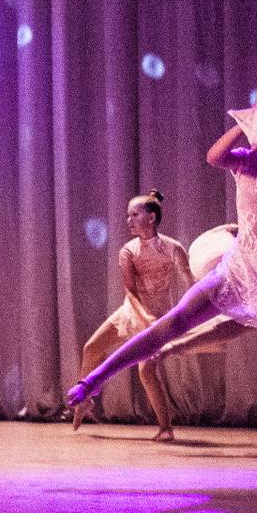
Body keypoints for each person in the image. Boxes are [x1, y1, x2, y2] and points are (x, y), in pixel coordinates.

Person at [67, 54, 257, 489]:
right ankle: (94, 379)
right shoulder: (247, 163)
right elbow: (214, 155)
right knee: (170, 325)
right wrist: (249, 119)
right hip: (236, 271)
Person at [72, 189, 191, 441]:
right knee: (91, 348)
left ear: (151, 218)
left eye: (134, 215)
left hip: (159, 315)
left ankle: (166, 428)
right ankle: (85, 398)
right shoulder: (128, 250)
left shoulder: (173, 248)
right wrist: (144, 317)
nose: (129, 221)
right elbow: (130, 290)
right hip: (132, 311)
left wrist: (187, 316)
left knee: (146, 371)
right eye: (128, 215)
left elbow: (191, 284)